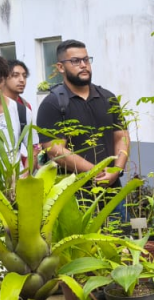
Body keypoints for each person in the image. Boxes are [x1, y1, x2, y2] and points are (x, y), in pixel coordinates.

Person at [36, 39, 130, 222]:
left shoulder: (107, 98)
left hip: (112, 189)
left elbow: (121, 137)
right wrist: (96, 172)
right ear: (60, 67)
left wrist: (116, 170)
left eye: (86, 60)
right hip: (73, 193)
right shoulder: (53, 104)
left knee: (121, 236)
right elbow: (55, 150)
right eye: (75, 61)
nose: (83, 65)